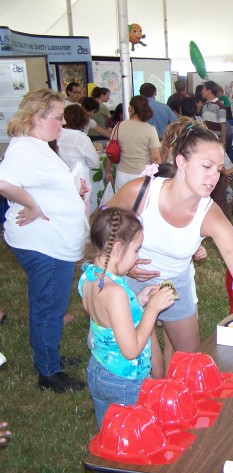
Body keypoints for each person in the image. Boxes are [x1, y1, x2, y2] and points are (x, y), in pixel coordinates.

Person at [107, 119, 233, 369]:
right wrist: (124, 264)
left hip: (174, 285)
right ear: (181, 162)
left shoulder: (210, 215)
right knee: (149, 368)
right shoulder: (142, 191)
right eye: (206, 166)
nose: (214, 176)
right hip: (130, 283)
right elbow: (104, 222)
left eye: (218, 169)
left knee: (190, 363)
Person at [0, 88, 86, 393]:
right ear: (38, 118)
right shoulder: (25, 147)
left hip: (52, 240)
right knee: (49, 306)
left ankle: (49, 355)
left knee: (49, 304)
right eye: (58, 118)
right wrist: (33, 205)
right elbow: (4, 182)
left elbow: (43, 183)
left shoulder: (37, 145)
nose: (62, 123)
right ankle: (48, 373)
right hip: (44, 243)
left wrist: (74, 190)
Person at [79, 207, 175, 428]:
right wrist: (151, 309)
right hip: (124, 379)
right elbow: (131, 350)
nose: (137, 257)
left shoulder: (89, 277)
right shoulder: (115, 292)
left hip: (99, 370)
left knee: (109, 433)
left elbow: (107, 317)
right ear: (118, 248)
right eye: (136, 250)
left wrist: (138, 301)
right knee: (131, 435)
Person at [104, 95, 161, 191]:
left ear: (131, 109)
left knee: (121, 204)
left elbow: (110, 151)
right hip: (142, 174)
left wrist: (108, 171)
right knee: (140, 204)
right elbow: (155, 158)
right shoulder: (150, 129)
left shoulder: (119, 126)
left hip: (122, 174)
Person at [58, 104, 101, 218]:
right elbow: (95, 162)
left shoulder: (55, 134)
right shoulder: (81, 138)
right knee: (82, 218)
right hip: (80, 184)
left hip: (60, 184)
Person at [200, 80, 227, 150]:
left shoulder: (220, 106)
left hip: (216, 140)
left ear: (209, 91)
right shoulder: (204, 106)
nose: (202, 91)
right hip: (205, 140)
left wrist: (223, 142)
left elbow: (223, 125)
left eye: (203, 89)